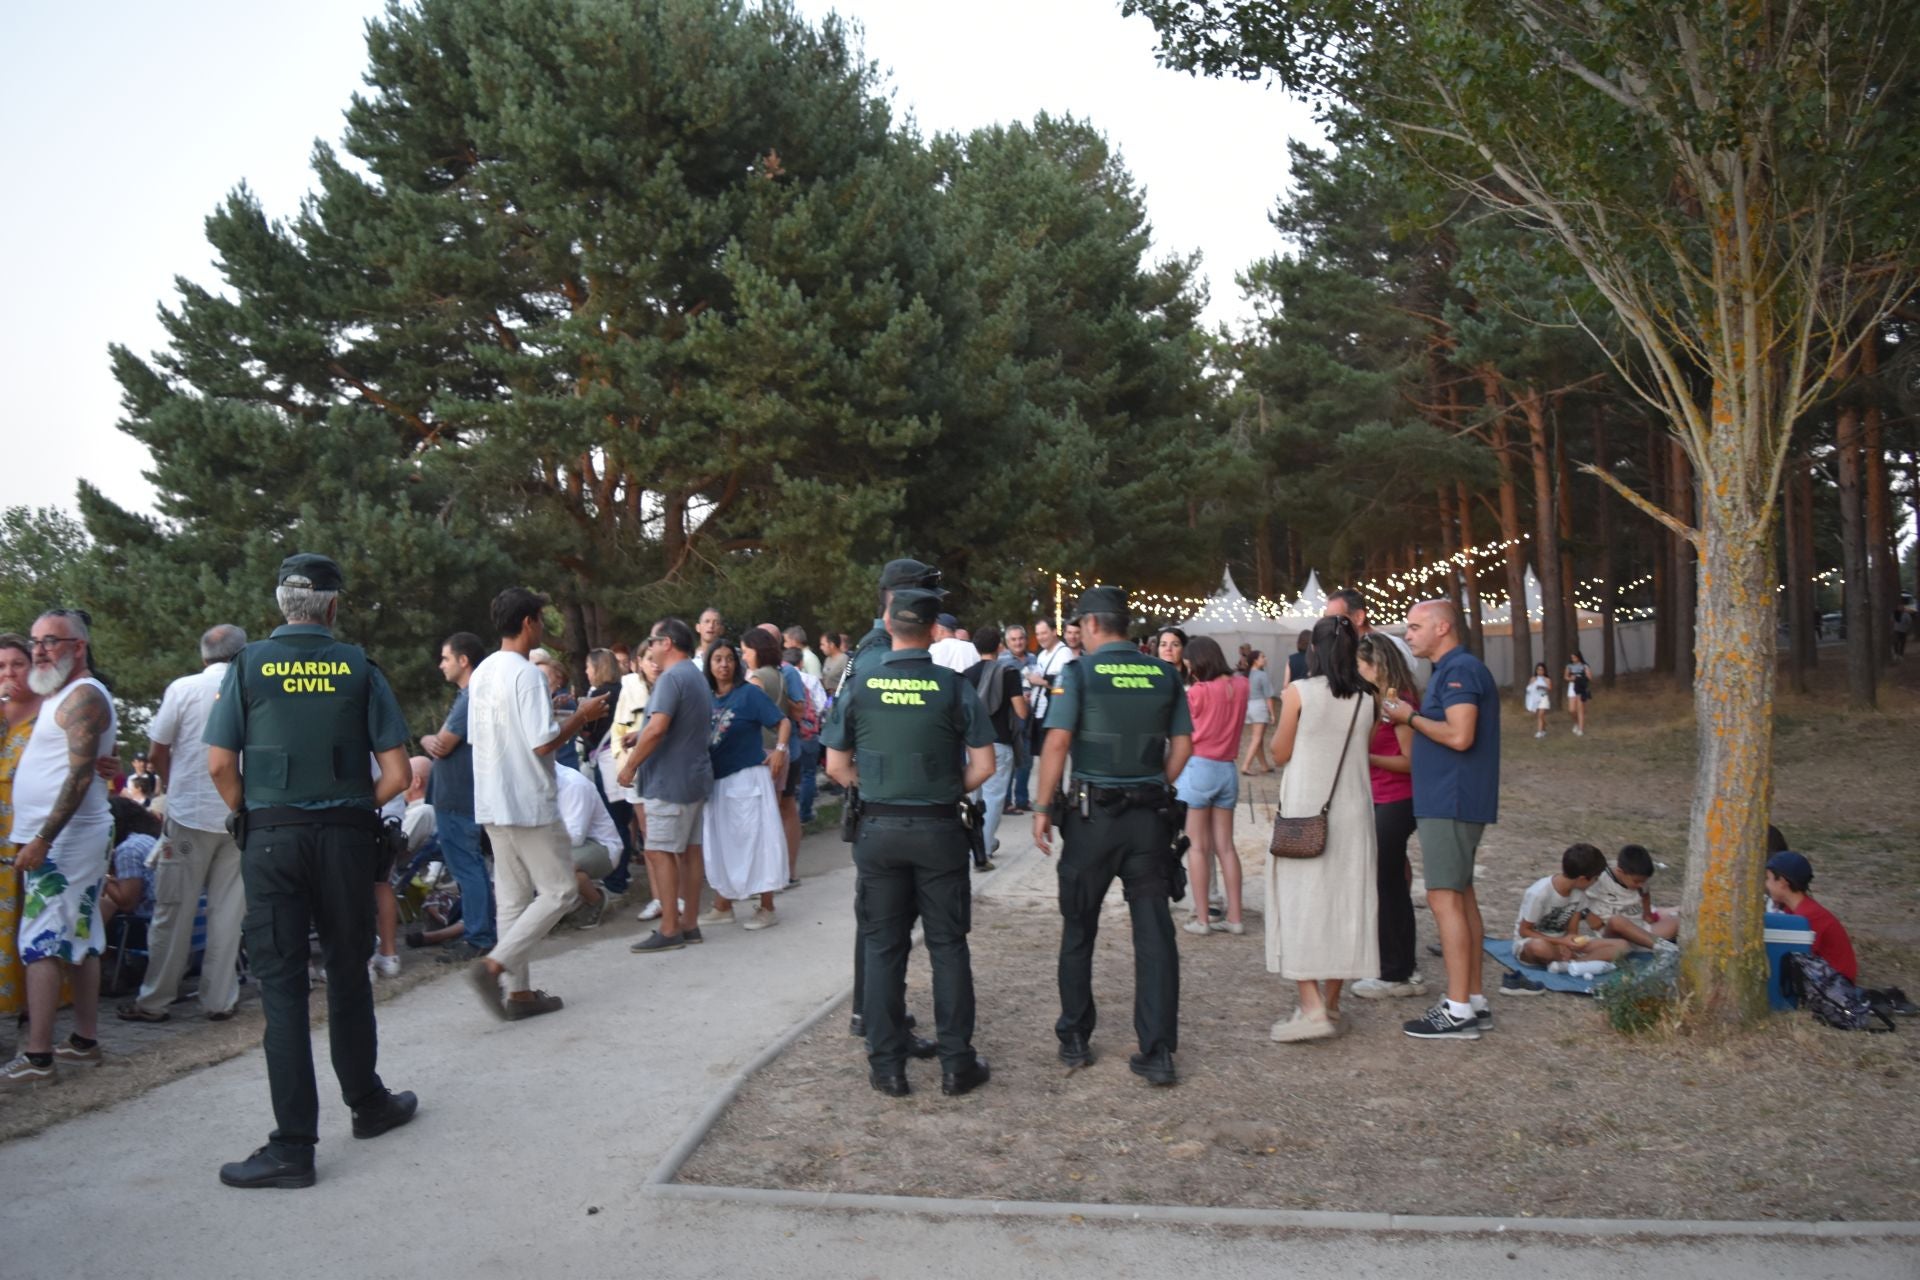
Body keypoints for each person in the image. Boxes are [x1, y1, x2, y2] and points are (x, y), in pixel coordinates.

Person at [201, 556, 417, 1186]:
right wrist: (351, 810)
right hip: (347, 843)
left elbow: (219, 765)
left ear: (280, 604)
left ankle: (293, 1148)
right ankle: (368, 1104)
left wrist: (257, 815)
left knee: (283, 987)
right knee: (349, 973)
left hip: (272, 841)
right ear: (333, 606)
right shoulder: (359, 667)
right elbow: (399, 775)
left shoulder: (245, 666)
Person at [824, 587, 997, 1098]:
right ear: (933, 630)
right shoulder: (954, 686)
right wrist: (940, 790)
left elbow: (835, 766)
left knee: (882, 947)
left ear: (888, 622)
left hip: (878, 830)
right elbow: (984, 766)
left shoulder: (861, 683)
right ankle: (955, 1064)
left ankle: (887, 1066)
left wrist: (877, 789)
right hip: (940, 829)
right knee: (947, 946)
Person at [1032, 586, 1193, 1085]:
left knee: (1079, 927)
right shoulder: (1165, 673)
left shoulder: (1079, 673)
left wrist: (1042, 807)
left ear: (1094, 626)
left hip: (1091, 819)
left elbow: (1058, 740)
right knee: (1154, 931)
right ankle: (1158, 1050)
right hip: (1148, 819)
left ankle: (1076, 1038)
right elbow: (1184, 745)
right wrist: (1156, 783)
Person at [463, 587, 609, 1020]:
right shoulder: (526, 673)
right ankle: (493, 967)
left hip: (491, 797)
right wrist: (581, 716)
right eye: (541, 620)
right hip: (528, 800)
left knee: (511, 897)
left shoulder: (484, 672)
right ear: (528, 622)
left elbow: (498, 734)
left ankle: (520, 994)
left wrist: (567, 718)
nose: (542, 627)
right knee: (561, 891)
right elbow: (543, 744)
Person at [1, 609, 120, 1094]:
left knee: (42, 943)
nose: (40, 650)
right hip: (69, 836)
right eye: (36, 641)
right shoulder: (60, 695)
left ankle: (38, 1055)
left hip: (64, 840)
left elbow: (77, 775)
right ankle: (84, 1040)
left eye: (52, 641)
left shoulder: (83, 697)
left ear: (79, 647)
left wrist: (43, 838)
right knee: (83, 936)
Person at [1381, 598, 1501, 1042]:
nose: (1408, 634)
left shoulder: (1459, 670)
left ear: (1443, 627)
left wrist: (1408, 717)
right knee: (1461, 896)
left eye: (1414, 627)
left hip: (1451, 800)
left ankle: (1457, 1010)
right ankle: (1474, 1000)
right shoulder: (1451, 670)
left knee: (1444, 898)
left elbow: (1460, 734)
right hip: (1449, 799)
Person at [118, 624, 251, 1024]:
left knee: (174, 909)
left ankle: (155, 1000)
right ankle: (219, 1000)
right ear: (243, 655)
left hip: (190, 812)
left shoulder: (183, 688)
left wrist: (175, 786)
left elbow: (158, 751)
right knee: (229, 912)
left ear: (203, 656)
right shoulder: (256, 687)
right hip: (241, 812)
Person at [837, 558, 943, 1042]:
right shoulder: (882, 655)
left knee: (881, 925)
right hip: (890, 806)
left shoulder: (869, 649)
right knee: (886, 929)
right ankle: (879, 1020)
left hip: (879, 804)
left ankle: (875, 1013)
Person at [1266, 616, 1379, 1043]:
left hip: (1305, 811)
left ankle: (1312, 1008)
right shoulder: (1369, 698)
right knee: (1344, 905)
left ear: (1313, 649)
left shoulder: (1300, 693)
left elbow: (1279, 753)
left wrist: (1284, 707)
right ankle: (1331, 1004)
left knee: (1302, 903)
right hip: (1353, 810)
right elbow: (1359, 750)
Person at [620, 617, 716, 954]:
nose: (650, 647)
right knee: (690, 853)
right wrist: (640, 733)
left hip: (668, 781)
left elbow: (659, 728)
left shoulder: (670, 678)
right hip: (693, 777)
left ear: (668, 643)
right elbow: (670, 725)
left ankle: (669, 928)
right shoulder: (694, 675)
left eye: (653, 640)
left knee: (658, 851)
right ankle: (689, 924)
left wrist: (630, 766)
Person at [1350, 632, 1426, 1001]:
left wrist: (1365, 759)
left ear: (1376, 666)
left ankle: (1395, 972)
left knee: (1388, 884)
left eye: (1361, 665)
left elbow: (1412, 763)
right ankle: (1397, 965)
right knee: (1387, 882)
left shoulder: (1398, 703)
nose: (1357, 671)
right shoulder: (1377, 699)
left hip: (1398, 800)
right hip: (1381, 797)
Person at [698, 637, 790, 930]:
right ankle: (723, 905)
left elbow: (783, 722)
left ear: (737, 663)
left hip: (747, 778)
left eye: (729, 658)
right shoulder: (704, 697)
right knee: (720, 842)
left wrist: (780, 750)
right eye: (717, 659)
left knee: (758, 840)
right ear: (709, 664)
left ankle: (767, 906)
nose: (724, 664)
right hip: (716, 782)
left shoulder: (749, 695)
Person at [419, 632, 495, 960]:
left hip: (459, 797)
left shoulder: (472, 695)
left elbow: (442, 744)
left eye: (446, 658)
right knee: (469, 868)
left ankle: (479, 936)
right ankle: (478, 930)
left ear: (464, 660)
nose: (440, 665)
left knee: (468, 867)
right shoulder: (470, 694)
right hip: (459, 794)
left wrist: (425, 738)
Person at [1173, 636, 1247, 936]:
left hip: (1199, 767)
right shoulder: (1242, 685)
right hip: (1227, 769)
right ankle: (1236, 917)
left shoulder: (1198, 692)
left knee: (1198, 848)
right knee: (1226, 847)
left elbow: (1182, 733)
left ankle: (1203, 919)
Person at [742, 629, 805, 886]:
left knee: (762, 819)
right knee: (776, 814)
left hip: (763, 752)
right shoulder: (780, 675)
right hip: (781, 750)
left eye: (745, 650)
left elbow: (747, 713)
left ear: (756, 650)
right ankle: (782, 872)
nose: (743, 656)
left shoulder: (757, 678)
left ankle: (768, 877)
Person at [966, 624, 1028, 871]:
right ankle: (985, 847)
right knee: (994, 798)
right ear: (1000, 646)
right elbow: (1021, 711)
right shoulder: (1009, 673)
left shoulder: (966, 674)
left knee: (974, 798)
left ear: (975, 647)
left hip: (972, 745)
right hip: (1000, 742)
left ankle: (976, 843)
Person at [0, 633, 38, 1028]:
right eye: (1, 666)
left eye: (16, 664)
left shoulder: (49, 715)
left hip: (26, 836)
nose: (8, 673)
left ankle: (28, 1011)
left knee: (24, 928)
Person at [1512, 843, 1630, 966]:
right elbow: (1524, 931)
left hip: (1563, 943)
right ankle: (1572, 962)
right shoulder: (1539, 893)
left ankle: (1574, 964)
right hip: (1533, 942)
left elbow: (1572, 931)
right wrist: (1561, 942)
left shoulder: (1580, 893)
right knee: (1538, 947)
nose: (1596, 882)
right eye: (1595, 878)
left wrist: (1569, 943)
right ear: (1582, 879)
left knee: (1623, 946)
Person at [1764, 850, 1857, 981]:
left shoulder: (1808, 917)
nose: (1766, 884)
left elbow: (1798, 957)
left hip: (1836, 984)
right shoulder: (1796, 910)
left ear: (1782, 883)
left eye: (1768, 879)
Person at [552, 764, 621, 928]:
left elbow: (576, 836)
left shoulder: (573, 783)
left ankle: (595, 900)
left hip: (600, 846)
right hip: (566, 845)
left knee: (554, 865)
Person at [1583, 843, 1680, 952]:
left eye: (1644, 882)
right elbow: (1584, 903)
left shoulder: (1639, 877)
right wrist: (1597, 926)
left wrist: (1647, 914)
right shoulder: (1601, 879)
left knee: (1679, 919)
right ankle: (1666, 948)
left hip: (1641, 927)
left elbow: (1645, 893)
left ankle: (1651, 943)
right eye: (1637, 882)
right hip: (1615, 934)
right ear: (1620, 871)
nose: (1641, 885)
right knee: (1617, 921)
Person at [101, 794, 163, 932]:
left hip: (149, 925)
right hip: (166, 917)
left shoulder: (128, 849)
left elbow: (127, 903)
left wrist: (101, 875)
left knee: (99, 907)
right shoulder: (145, 840)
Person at [1239, 649, 1277, 775]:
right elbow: (1268, 697)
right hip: (1259, 707)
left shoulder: (1245, 675)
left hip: (1248, 707)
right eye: (1262, 656)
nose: (1265, 658)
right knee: (1257, 738)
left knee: (1258, 738)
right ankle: (1246, 765)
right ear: (1255, 660)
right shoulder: (1262, 675)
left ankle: (1264, 766)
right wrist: (1272, 714)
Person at [1564, 650, 1592, 736]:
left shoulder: (1584, 666)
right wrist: (1571, 678)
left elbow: (1589, 677)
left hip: (1581, 687)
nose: (1573, 659)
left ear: (1579, 657)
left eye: (1575, 657)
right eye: (1572, 658)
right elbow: (1565, 677)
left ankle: (1581, 729)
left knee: (1580, 709)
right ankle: (1576, 722)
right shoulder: (1569, 666)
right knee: (1572, 709)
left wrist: (1581, 678)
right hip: (1572, 687)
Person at [1524, 662, 1552, 739]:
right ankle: (1543, 729)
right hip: (1535, 698)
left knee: (1541, 714)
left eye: (1541, 670)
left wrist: (1542, 687)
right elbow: (1529, 688)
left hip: (1543, 697)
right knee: (1540, 716)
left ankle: (1539, 732)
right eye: (1538, 669)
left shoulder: (1547, 679)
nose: (1540, 671)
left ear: (1544, 671)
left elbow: (1549, 688)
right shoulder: (1533, 679)